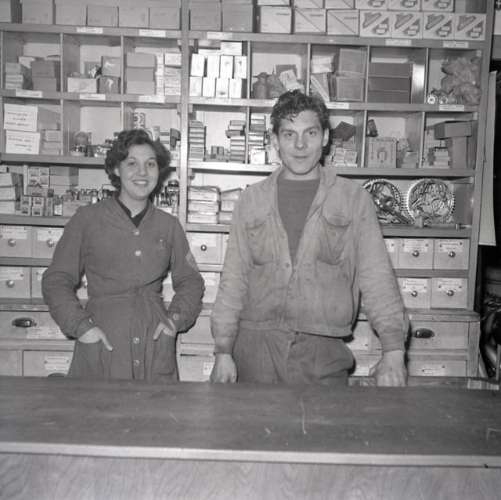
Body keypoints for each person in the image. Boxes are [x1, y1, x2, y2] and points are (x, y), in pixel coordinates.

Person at [210, 90, 408, 387]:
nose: (300, 145)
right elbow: (233, 279)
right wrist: (223, 350)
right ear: (275, 140)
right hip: (255, 350)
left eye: (310, 133)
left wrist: (393, 350)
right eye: (289, 134)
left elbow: (376, 276)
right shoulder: (251, 200)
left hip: (323, 354)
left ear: (325, 137)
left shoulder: (353, 199)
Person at [42, 129, 204, 381]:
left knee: (156, 406)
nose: (142, 172)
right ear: (116, 169)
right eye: (132, 163)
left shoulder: (168, 225)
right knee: (100, 406)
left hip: (154, 343)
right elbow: (56, 279)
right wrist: (82, 327)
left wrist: (174, 320)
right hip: (104, 340)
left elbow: (191, 281)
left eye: (150, 164)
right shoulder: (87, 219)